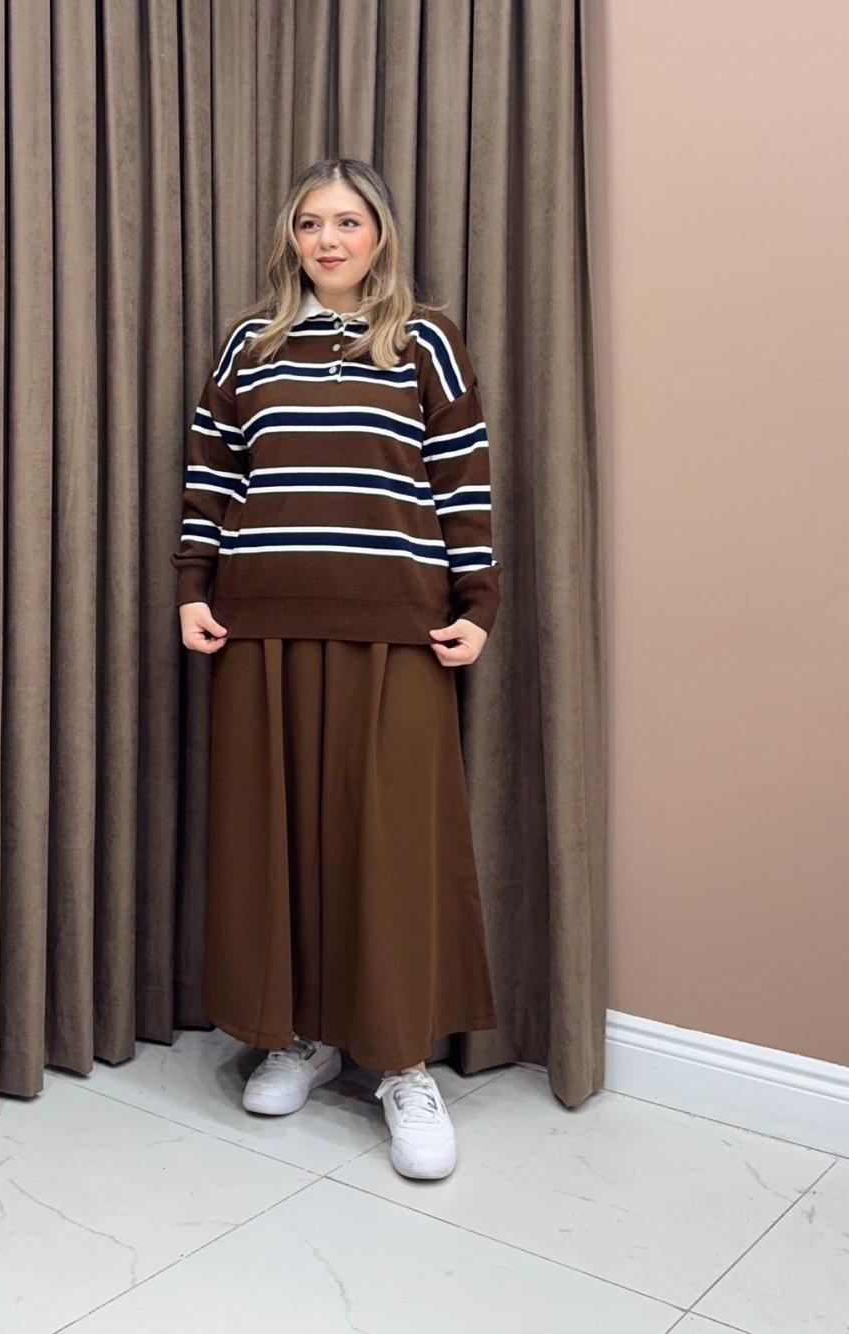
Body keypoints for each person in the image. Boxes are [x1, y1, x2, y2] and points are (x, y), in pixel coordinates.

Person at [172, 158, 501, 1180]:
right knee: (279, 841)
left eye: (347, 222)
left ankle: (403, 1063)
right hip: (260, 621)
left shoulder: (425, 341)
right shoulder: (249, 344)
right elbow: (211, 473)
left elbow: (463, 475)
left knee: (388, 845)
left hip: (396, 624)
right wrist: (193, 584)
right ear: (292, 238)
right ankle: (300, 1036)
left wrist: (479, 602)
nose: (327, 240)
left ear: (379, 235)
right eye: (311, 223)